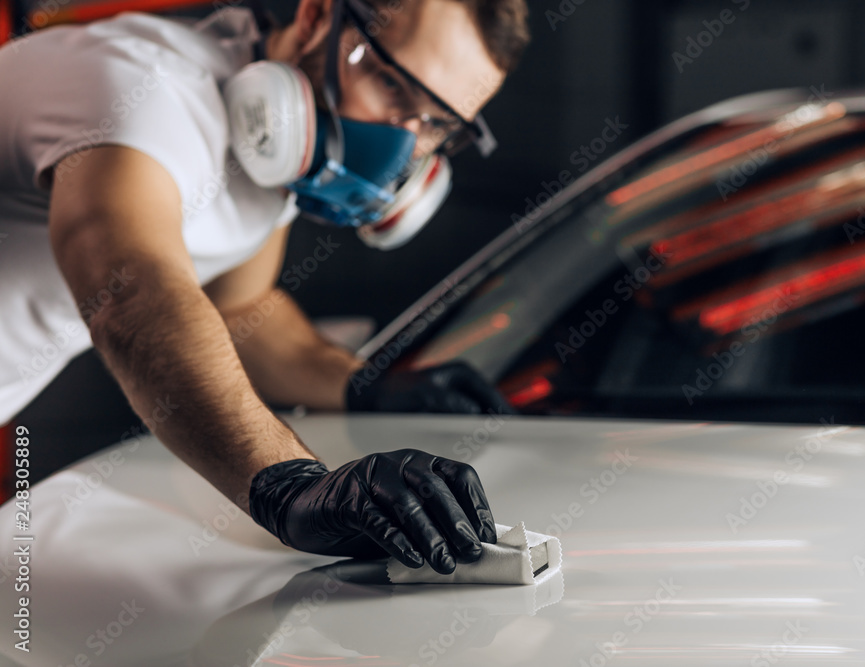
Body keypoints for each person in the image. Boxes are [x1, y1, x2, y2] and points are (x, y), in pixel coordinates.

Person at [0, 0, 530, 574]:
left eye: (436, 124)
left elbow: (239, 311)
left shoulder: (273, 155)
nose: (404, 144)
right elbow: (133, 296)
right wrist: (289, 485)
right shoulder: (144, 90)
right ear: (316, 18)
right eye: (392, 85)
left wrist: (365, 387)